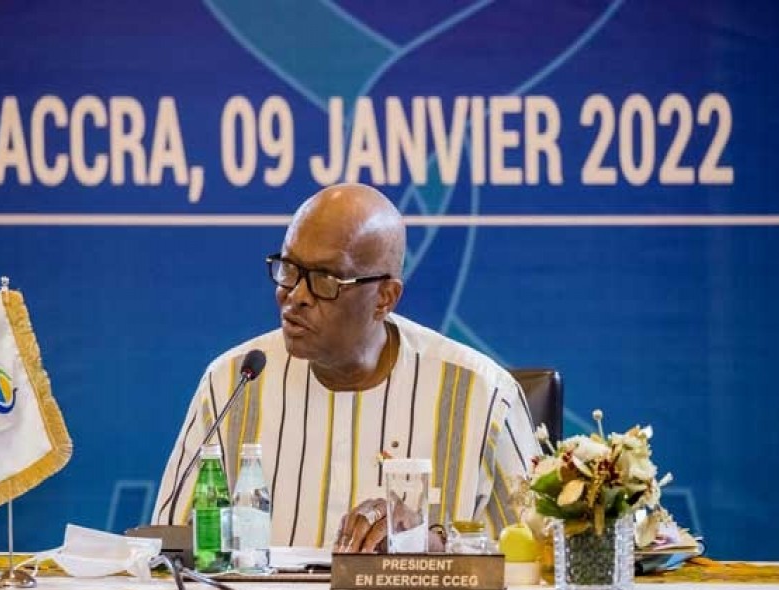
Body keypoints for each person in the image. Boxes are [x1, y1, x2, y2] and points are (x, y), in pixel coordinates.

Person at [153, 183, 539, 552]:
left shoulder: (481, 395)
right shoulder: (233, 383)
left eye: (325, 279)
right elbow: (169, 548)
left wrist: (432, 543)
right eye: (289, 269)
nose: (296, 297)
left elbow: (538, 557)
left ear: (385, 297)